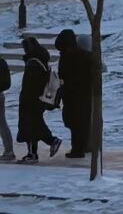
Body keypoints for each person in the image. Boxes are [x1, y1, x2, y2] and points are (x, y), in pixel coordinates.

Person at [16, 37, 60, 163]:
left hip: (30, 100)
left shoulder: (33, 63)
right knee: (35, 125)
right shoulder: (41, 60)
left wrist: (26, 98)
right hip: (38, 100)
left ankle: (35, 151)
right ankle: (38, 150)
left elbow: (31, 84)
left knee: (29, 126)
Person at [54, 29, 91, 159]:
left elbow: (65, 75)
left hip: (73, 93)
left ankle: (78, 149)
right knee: (80, 121)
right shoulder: (83, 55)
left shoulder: (68, 56)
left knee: (75, 121)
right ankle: (83, 146)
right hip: (82, 93)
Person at [0, 49, 14, 161]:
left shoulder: (1, 63)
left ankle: (9, 151)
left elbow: (6, 83)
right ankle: (9, 150)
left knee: (1, 123)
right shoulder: (2, 62)